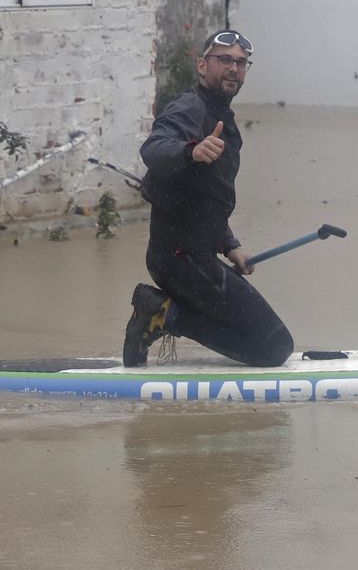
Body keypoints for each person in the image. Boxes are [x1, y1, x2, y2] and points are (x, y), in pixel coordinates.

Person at [122, 29, 294, 368]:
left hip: (194, 258)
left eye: (242, 63)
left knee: (268, 342)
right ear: (203, 66)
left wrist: (230, 246)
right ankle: (163, 315)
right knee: (274, 349)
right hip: (181, 261)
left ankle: (163, 312)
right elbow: (153, 149)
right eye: (224, 60)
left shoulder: (221, 117)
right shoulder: (189, 109)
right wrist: (191, 151)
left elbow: (205, 198)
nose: (234, 68)